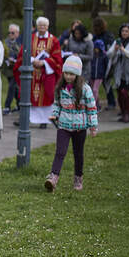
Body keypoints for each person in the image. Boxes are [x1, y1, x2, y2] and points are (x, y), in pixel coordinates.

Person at [45, 56, 98, 192]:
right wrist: (55, 114)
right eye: (66, 73)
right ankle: (53, 178)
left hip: (80, 128)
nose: (68, 76)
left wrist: (93, 126)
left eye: (72, 74)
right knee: (60, 151)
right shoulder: (60, 88)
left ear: (77, 74)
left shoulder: (85, 89)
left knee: (78, 154)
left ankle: (78, 178)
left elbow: (91, 108)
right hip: (63, 126)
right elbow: (57, 104)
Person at [14, 16, 62, 129]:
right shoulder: (30, 38)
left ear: (47, 27)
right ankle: (26, 119)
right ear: (37, 26)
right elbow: (23, 53)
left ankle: (44, 120)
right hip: (31, 73)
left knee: (46, 96)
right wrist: (32, 60)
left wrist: (44, 62)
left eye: (44, 26)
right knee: (28, 96)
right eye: (40, 25)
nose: (42, 28)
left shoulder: (54, 40)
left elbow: (57, 59)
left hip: (46, 74)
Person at [91, 17, 116, 110]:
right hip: (97, 63)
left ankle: (111, 102)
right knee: (95, 87)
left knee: (107, 83)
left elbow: (110, 50)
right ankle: (97, 103)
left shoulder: (108, 36)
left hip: (106, 63)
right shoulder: (95, 37)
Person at [2, 24, 21, 114]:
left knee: (11, 86)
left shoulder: (20, 42)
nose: (10, 35)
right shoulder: (5, 43)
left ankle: (7, 106)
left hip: (17, 69)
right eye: (9, 33)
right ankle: (19, 104)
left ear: (17, 33)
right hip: (8, 69)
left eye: (12, 33)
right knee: (14, 88)